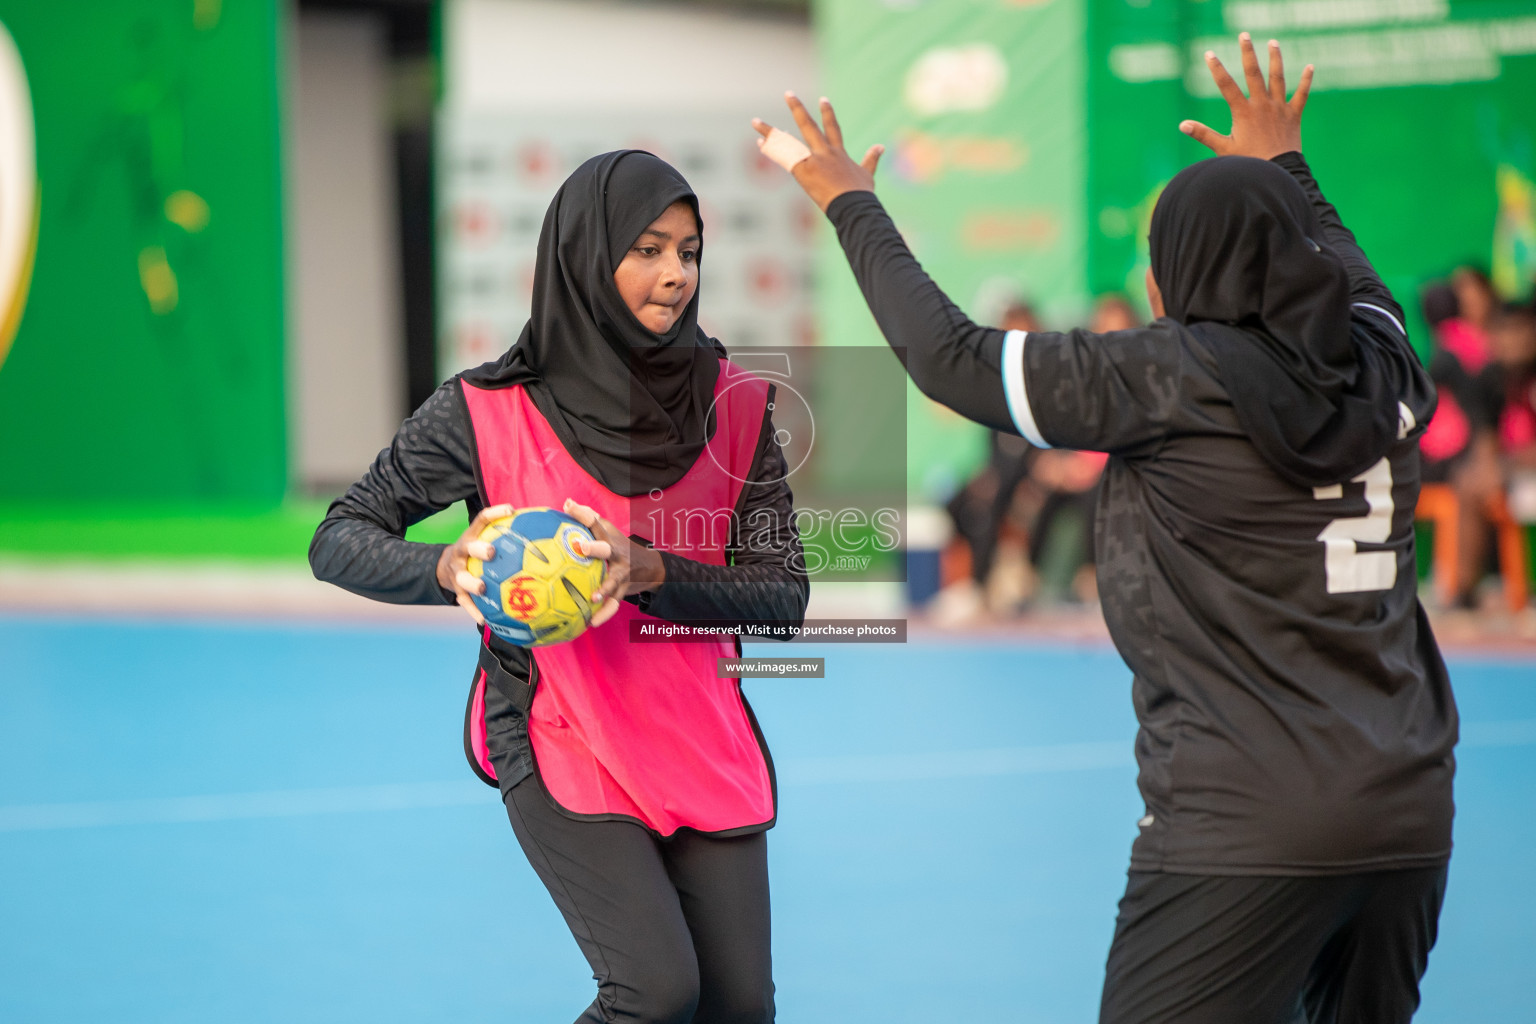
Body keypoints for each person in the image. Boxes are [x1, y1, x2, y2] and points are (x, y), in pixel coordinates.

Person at [754, 32, 1453, 1024]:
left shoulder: (1166, 376)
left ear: (1175, 282)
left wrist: (849, 202)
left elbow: (951, 358)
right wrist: (1285, 165)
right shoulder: (1388, 365)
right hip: (1410, 812)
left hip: (1241, 820)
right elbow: (1352, 273)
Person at [311, 151, 806, 1024]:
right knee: (654, 994)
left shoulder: (735, 402)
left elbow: (784, 595)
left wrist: (652, 570)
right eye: (648, 249)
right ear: (584, 255)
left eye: (689, 252)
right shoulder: (485, 407)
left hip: (697, 726)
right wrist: (443, 565)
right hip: (557, 724)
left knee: (740, 1009)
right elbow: (339, 537)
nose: (674, 275)